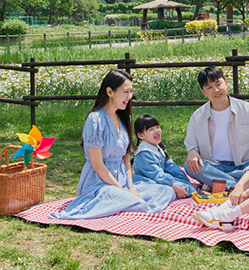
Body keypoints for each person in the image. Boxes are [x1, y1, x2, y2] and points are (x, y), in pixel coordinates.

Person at [51, 69, 176, 219]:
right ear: (110, 92)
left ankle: (125, 202)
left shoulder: (124, 118)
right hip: (100, 184)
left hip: (123, 181)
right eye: (125, 92)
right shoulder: (95, 120)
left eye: (131, 92)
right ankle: (124, 202)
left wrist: (130, 187)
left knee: (166, 191)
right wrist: (121, 190)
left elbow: (125, 158)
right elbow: (98, 166)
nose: (129, 97)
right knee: (135, 202)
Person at [184, 66, 249, 190]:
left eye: (218, 84)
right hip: (214, 166)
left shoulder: (247, 110)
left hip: (244, 165)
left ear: (226, 83)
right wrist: (192, 152)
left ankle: (216, 182)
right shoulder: (198, 116)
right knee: (190, 166)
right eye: (209, 87)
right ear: (203, 92)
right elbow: (191, 146)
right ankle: (240, 186)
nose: (215, 90)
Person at [132, 114, 196, 199]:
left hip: (159, 180)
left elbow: (170, 166)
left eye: (157, 127)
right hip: (148, 182)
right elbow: (156, 174)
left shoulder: (157, 148)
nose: (156, 131)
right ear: (141, 135)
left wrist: (185, 179)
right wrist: (176, 188)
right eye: (151, 129)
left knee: (188, 188)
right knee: (171, 191)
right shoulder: (144, 153)